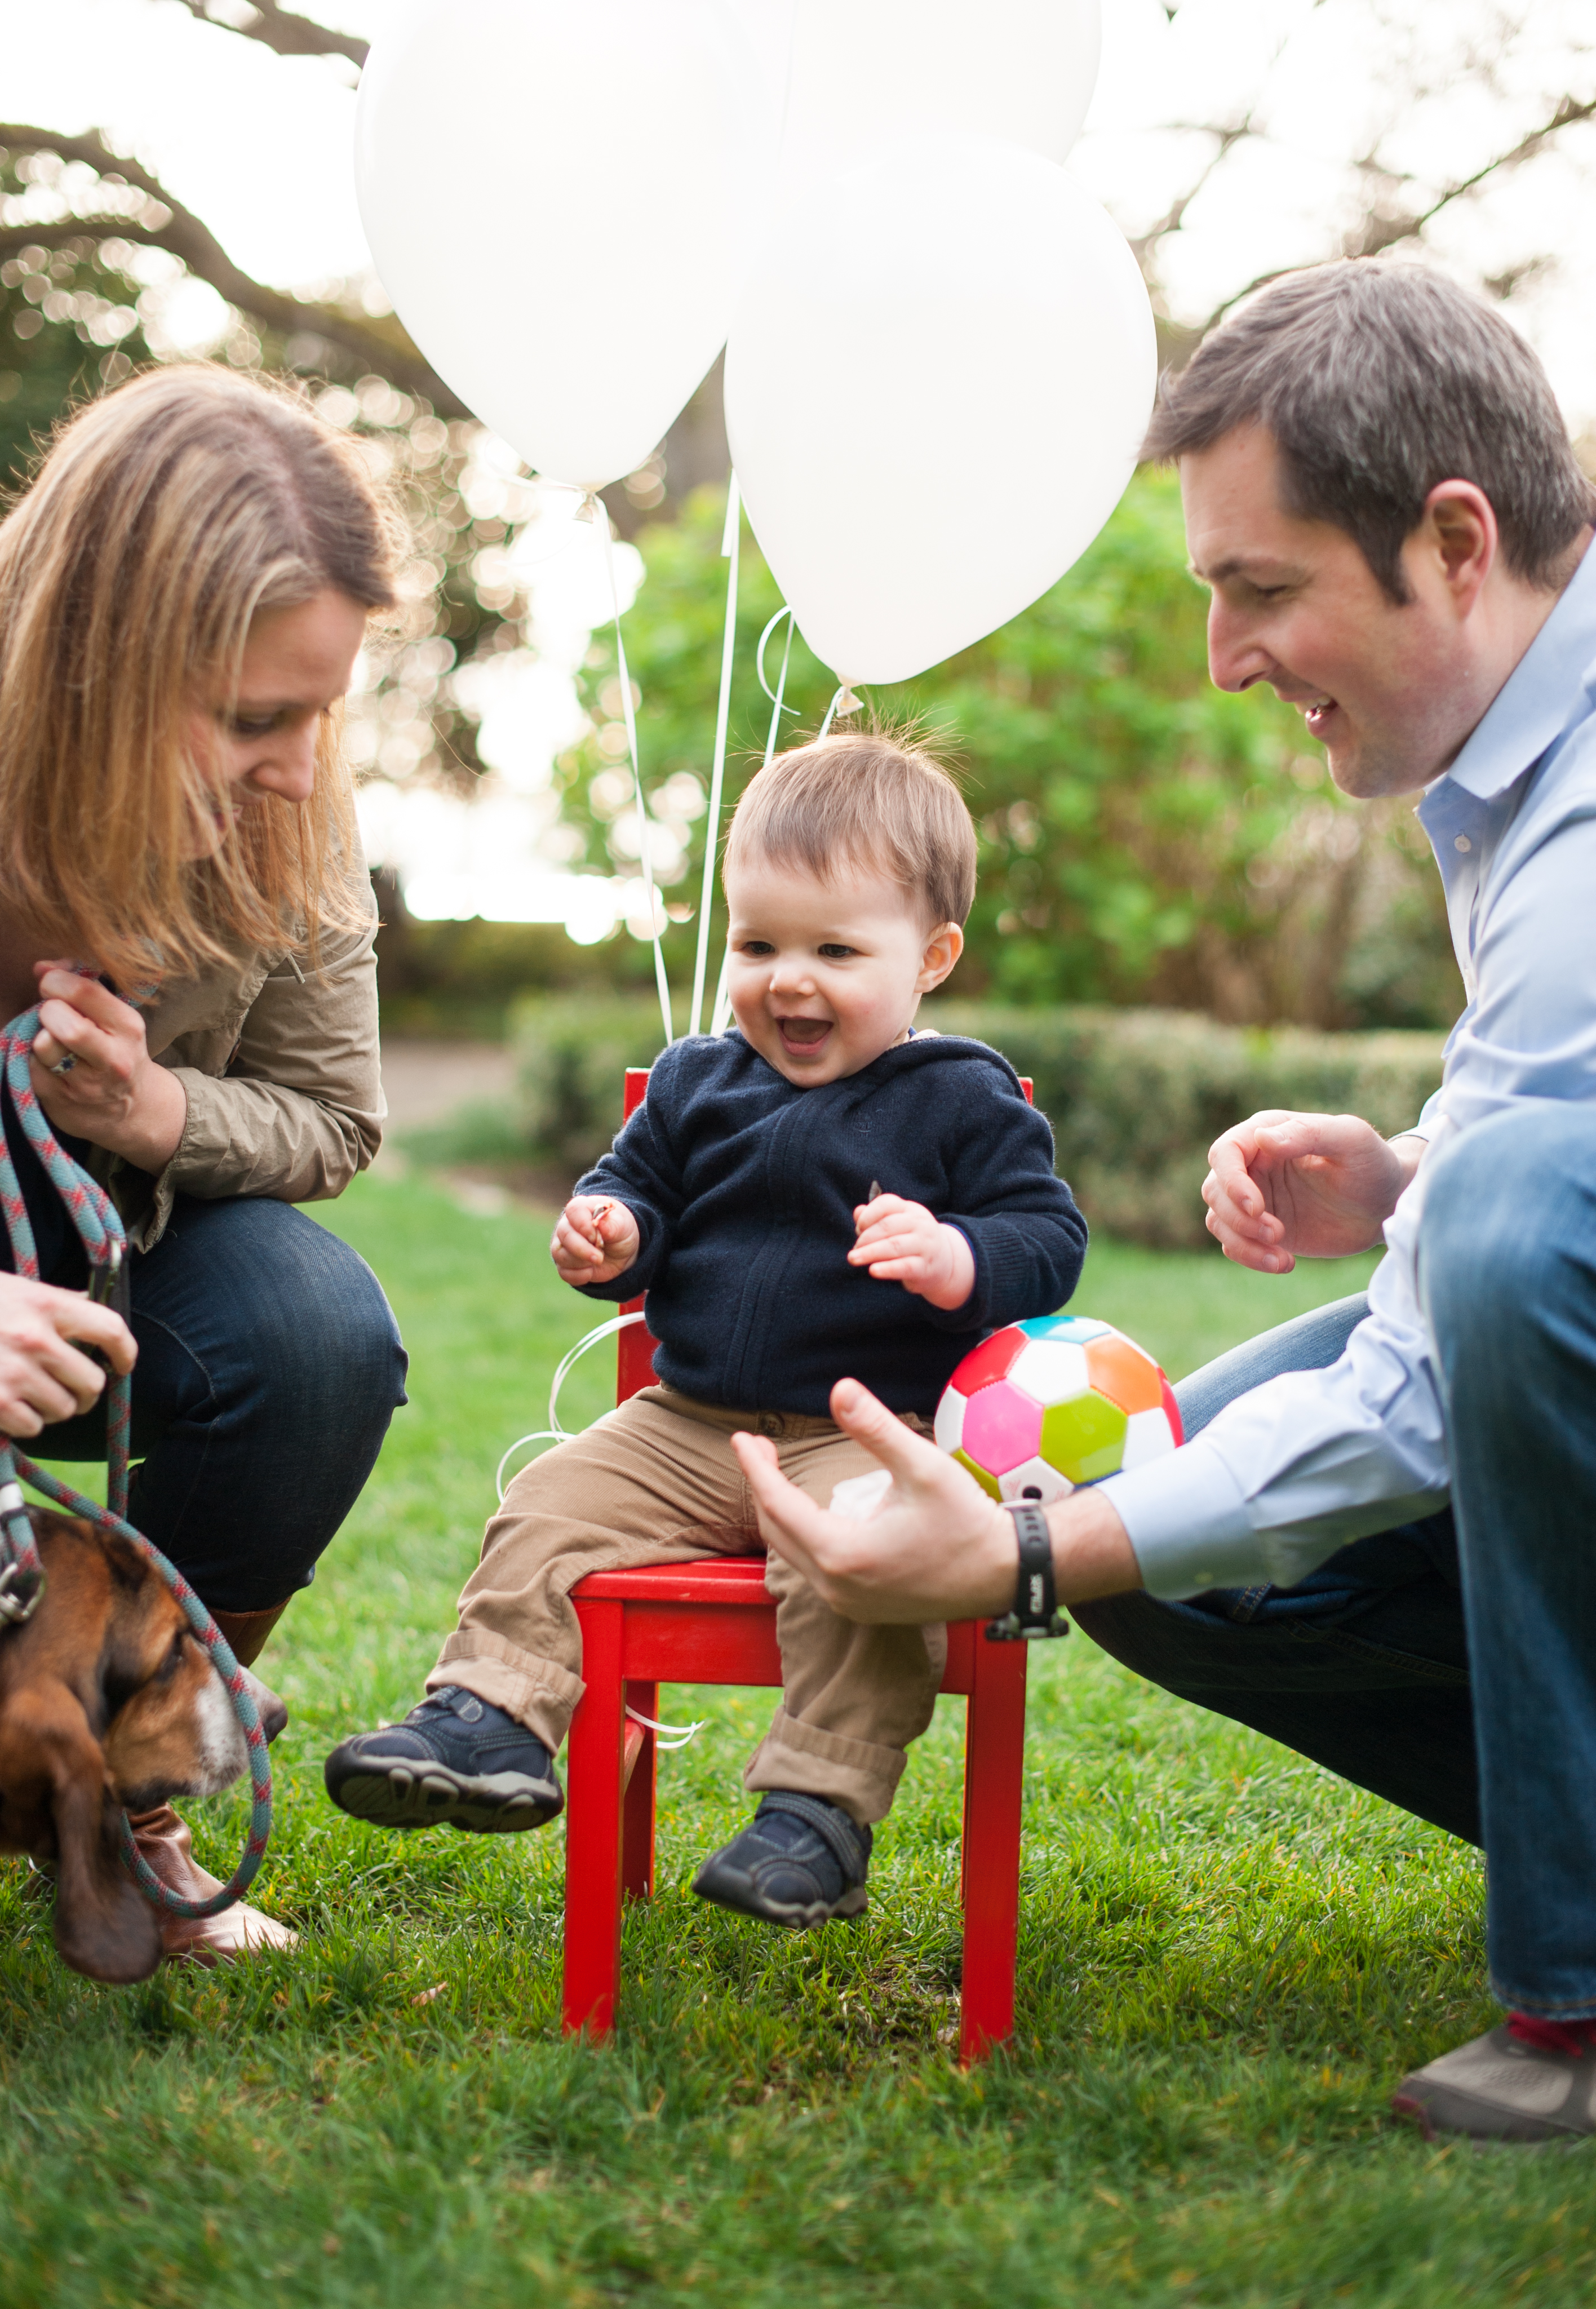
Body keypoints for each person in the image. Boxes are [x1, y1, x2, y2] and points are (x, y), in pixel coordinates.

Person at [722, 262, 1596, 2146]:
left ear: (1453, 541)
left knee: (1459, 1266)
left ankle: (1578, 1983)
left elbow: (1429, 1386)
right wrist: (1418, 1179)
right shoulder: (1516, 766)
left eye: (1258, 588)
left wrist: (1027, 1555)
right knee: (1203, 1512)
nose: (1223, 653)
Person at [325, 732, 1087, 1926]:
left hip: (862, 1433)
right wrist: (613, 1234)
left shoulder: (963, 1098)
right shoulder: (697, 1081)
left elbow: (1048, 1237)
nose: (791, 979)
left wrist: (959, 1257)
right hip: (686, 1422)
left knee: (861, 1567)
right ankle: (488, 1714)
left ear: (932, 956)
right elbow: (636, 1190)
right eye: (758, 943)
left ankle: (818, 1810)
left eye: (837, 949)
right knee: (552, 1501)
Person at [0, 364, 409, 1963]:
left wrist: (160, 1115)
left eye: (323, 710)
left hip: (117, 1233)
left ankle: (125, 1783)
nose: (304, 771)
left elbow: (334, 1118)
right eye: (255, 718)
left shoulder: (291, 813)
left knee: (315, 1341)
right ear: (99, 659)